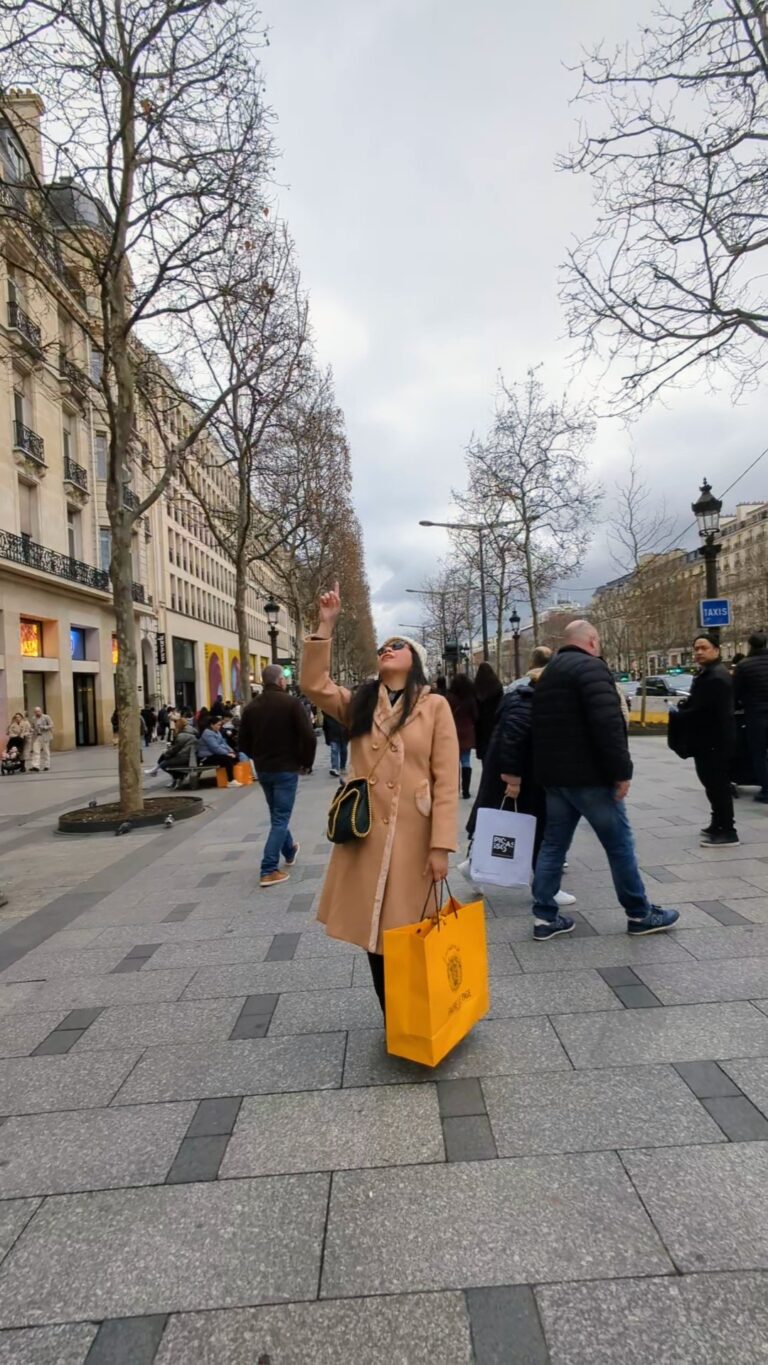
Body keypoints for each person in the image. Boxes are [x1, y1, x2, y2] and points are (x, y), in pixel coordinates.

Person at [301, 584, 459, 1015]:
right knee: (376, 933)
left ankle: (426, 1014)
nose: (387, 649)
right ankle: (396, 1019)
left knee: (414, 930)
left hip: (414, 836)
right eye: (384, 646)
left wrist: (441, 846)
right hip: (367, 835)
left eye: (398, 645)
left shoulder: (435, 707)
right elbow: (314, 684)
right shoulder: (360, 703)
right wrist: (325, 624)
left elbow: (446, 780)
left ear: (417, 663)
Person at [530, 620, 679, 941]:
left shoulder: (549, 674)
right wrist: (621, 771)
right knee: (619, 845)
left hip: (555, 778)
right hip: (590, 777)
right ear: (593, 641)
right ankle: (639, 913)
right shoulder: (592, 669)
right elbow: (608, 724)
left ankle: (544, 917)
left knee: (553, 844)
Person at [466, 664, 575, 908]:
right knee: (539, 832)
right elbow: (514, 740)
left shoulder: (522, 701)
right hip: (521, 777)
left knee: (526, 829)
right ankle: (546, 889)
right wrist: (513, 780)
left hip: (520, 775)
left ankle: (473, 866)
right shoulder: (527, 705)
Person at [239, 664, 317, 888]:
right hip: (286, 768)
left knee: (277, 814)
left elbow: (242, 742)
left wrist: (258, 757)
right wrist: (306, 763)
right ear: (281, 681)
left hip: (264, 769)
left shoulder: (251, 707)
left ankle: (289, 849)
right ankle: (268, 868)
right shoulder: (291, 703)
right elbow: (309, 737)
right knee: (281, 817)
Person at [676, 634, 738, 846]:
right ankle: (717, 822)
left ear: (716, 650)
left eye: (704, 648)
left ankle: (728, 830)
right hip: (708, 741)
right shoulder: (708, 674)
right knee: (711, 785)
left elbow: (707, 711)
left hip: (715, 741)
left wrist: (684, 712)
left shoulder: (717, 677)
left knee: (718, 785)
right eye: (696, 649)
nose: (699, 652)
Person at [734, 633, 768, 803]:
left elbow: (735, 693)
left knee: (759, 754)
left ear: (750, 646)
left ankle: (766, 790)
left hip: (756, 715)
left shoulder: (744, 665)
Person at [447, 673, 478, 799]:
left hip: (452, 731)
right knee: (466, 761)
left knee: (453, 763)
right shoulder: (470, 699)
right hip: (467, 732)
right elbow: (476, 716)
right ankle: (466, 791)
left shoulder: (449, 698)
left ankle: (454, 789)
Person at [197, 716, 242, 786]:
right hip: (206, 757)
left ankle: (230, 778)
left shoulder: (217, 731)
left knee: (235, 756)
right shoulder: (207, 734)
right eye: (218, 725)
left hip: (214, 754)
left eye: (220, 725)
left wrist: (231, 751)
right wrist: (227, 754)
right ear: (212, 725)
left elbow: (223, 743)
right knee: (227, 759)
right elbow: (215, 748)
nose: (219, 727)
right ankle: (231, 781)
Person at [154, 717, 198, 787]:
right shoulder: (192, 731)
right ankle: (174, 777)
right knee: (164, 757)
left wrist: (166, 753)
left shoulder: (182, 735)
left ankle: (177, 776)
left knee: (162, 764)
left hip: (184, 757)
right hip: (190, 756)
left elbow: (175, 749)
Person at [473, 662, 504, 764]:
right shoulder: (497, 686)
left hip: (481, 726)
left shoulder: (476, 687)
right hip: (495, 723)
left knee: (485, 756)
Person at [323, 711, 349, 778]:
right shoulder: (327, 715)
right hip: (333, 736)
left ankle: (342, 767)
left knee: (344, 751)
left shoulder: (343, 712)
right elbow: (325, 728)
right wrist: (327, 739)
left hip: (343, 735)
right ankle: (335, 768)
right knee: (334, 751)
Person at [29, 707, 54, 772]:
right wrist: (31, 729)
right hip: (37, 736)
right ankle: (35, 766)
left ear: (41, 711)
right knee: (35, 751)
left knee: (46, 751)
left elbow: (51, 725)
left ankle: (47, 765)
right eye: (36, 711)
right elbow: (32, 727)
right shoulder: (33, 718)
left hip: (45, 736)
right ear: (34, 712)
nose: (37, 713)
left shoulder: (46, 717)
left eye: (38, 711)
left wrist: (44, 727)